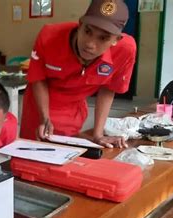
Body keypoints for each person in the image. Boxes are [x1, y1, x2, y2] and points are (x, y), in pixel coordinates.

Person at [20, 0, 136, 148]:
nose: (90, 44)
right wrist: (44, 118)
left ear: (116, 40)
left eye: (103, 38)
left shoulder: (125, 50)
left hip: (74, 108)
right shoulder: (49, 36)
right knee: (32, 153)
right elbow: (38, 79)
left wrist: (98, 134)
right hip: (40, 105)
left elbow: (108, 88)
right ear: (80, 24)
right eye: (88, 31)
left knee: (70, 154)